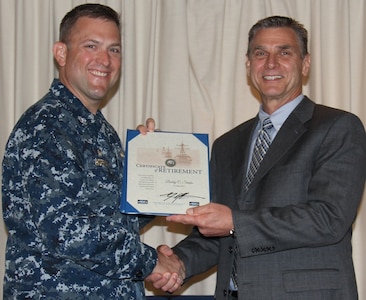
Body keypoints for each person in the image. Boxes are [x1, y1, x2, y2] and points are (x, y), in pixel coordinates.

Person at [147, 16, 366, 299]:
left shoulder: (337, 127)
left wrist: (235, 222)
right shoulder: (226, 145)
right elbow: (218, 234)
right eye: (260, 53)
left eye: (284, 52)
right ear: (249, 64)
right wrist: (176, 262)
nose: (271, 63)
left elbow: (329, 218)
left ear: (306, 63)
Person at [1, 4, 183, 299]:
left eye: (114, 50)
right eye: (91, 46)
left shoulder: (99, 131)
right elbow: (66, 229)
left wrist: (157, 169)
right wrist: (150, 262)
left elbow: (117, 215)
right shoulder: (47, 126)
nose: (105, 60)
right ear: (61, 53)